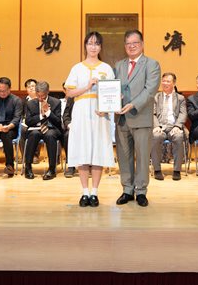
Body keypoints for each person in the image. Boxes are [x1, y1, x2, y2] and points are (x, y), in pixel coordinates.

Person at [64, 32, 116, 207]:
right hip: (81, 111)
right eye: (90, 43)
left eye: (97, 44)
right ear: (85, 46)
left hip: (100, 114)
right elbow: (69, 92)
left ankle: (95, 192)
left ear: (100, 47)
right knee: (83, 150)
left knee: (98, 151)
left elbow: (112, 93)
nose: (93, 47)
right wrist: (87, 86)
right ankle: (84, 192)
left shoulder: (106, 68)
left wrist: (106, 109)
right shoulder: (77, 68)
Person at [114, 30, 161, 207]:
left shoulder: (152, 64)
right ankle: (127, 189)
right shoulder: (119, 65)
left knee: (142, 157)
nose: (131, 46)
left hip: (141, 117)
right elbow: (113, 87)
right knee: (124, 156)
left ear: (142, 44)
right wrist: (114, 98)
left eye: (135, 43)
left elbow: (150, 90)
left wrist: (133, 104)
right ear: (124, 46)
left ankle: (141, 191)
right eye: (128, 43)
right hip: (121, 118)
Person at [23, 81, 63, 180]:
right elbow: (28, 121)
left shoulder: (56, 102)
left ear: (48, 92)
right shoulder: (30, 103)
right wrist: (41, 116)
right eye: (38, 96)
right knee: (34, 134)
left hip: (51, 128)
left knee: (50, 135)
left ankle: (52, 169)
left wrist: (48, 112)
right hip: (35, 128)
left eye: (43, 96)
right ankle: (28, 167)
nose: (40, 98)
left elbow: (58, 122)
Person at [151, 72, 187, 181]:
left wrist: (177, 126)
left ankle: (177, 170)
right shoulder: (156, 97)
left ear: (174, 83)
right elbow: (152, 113)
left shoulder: (180, 98)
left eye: (168, 81)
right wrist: (156, 126)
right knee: (155, 137)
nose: (165, 83)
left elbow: (183, 114)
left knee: (179, 137)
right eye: (163, 81)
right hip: (160, 127)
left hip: (173, 127)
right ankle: (157, 170)